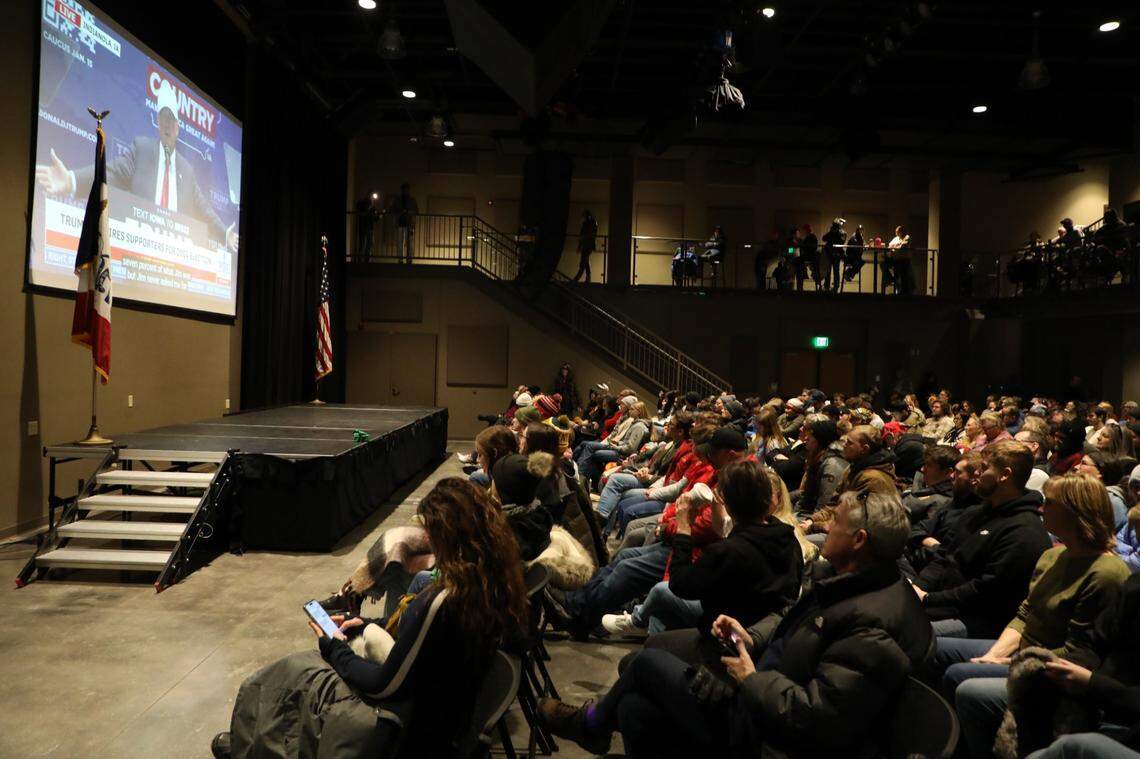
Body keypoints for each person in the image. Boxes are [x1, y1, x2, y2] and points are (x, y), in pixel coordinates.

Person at [537, 490, 932, 758]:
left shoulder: (873, 621)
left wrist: (750, 677)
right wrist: (754, 636)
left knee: (644, 664)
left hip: (771, 735)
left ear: (860, 539)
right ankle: (597, 723)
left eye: (838, 523)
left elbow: (816, 718)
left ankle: (590, 724)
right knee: (637, 711)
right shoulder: (858, 581)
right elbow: (795, 624)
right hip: (768, 690)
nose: (827, 526)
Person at [212, 478, 527, 759]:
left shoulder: (444, 601)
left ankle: (250, 744)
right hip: (446, 713)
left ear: (446, 536)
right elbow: (424, 649)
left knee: (297, 671)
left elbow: (383, 685)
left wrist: (335, 647)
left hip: (411, 727)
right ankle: (254, 742)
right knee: (310, 668)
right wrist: (367, 625)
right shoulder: (495, 583)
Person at [937, 474, 1128, 759]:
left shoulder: (1107, 573)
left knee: (960, 679)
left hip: (1051, 669)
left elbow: (1079, 654)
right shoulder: (1053, 556)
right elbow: (1026, 613)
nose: (1041, 509)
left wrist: (1011, 661)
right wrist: (996, 654)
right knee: (934, 646)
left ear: (1074, 512)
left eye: (1049, 503)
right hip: (1023, 650)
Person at [601, 458, 803, 638]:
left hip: (725, 630)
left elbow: (680, 585)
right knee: (660, 608)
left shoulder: (727, 550)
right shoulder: (788, 538)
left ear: (729, 505)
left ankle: (638, 623)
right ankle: (649, 633)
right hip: (764, 629)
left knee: (661, 592)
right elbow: (725, 528)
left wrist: (683, 527)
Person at [36, 80, 238, 251]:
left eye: (171, 120)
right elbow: (112, 173)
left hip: (176, 258)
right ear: (158, 123)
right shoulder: (142, 149)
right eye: (163, 118)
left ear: (177, 129)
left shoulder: (187, 170)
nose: (167, 124)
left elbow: (203, 208)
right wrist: (72, 180)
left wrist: (224, 235)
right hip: (141, 252)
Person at [911, 441, 1052, 639]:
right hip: (940, 603)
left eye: (984, 468)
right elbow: (944, 557)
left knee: (903, 631)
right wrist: (919, 586)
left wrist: (928, 599)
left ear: (1005, 475)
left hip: (975, 620)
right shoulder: (975, 513)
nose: (976, 474)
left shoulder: (1024, 531)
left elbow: (984, 591)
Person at [903, 445, 959, 523]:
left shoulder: (942, 503)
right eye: (924, 464)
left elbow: (920, 531)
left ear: (947, 472)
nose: (922, 469)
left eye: (929, 465)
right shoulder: (926, 482)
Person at [386, 182, 419, 263]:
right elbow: (392, 210)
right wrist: (400, 212)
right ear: (402, 190)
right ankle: (401, 259)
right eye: (404, 189)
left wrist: (408, 212)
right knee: (400, 242)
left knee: (409, 242)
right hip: (400, 223)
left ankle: (409, 259)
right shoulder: (398, 200)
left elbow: (416, 211)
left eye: (406, 189)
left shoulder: (411, 200)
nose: (405, 191)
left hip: (409, 223)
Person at [820, 217, 846, 292]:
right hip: (830, 254)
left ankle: (834, 286)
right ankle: (828, 286)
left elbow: (842, 241)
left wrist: (834, 233)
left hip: (836, 254)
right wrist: (831, 232)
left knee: (835, 271)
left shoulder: (841, 233)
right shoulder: (834, 232)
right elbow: (824, 238)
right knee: (830, 271)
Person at [573, 210, 598, 282]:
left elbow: (589, 234)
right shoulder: (590, 223)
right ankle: (587, 278)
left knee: (583, 261)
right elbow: (584, 234)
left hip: (587, 245)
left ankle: (578, 277)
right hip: (587, 245)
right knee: (585, 261)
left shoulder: (591, 223)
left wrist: (580, 244)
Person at [798, 223, 818, 291]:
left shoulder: (810, 237)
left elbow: (809, 248)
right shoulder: (811, 237)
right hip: (809, 257)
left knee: (799, 267)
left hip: (808, 257)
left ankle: (800, 287)